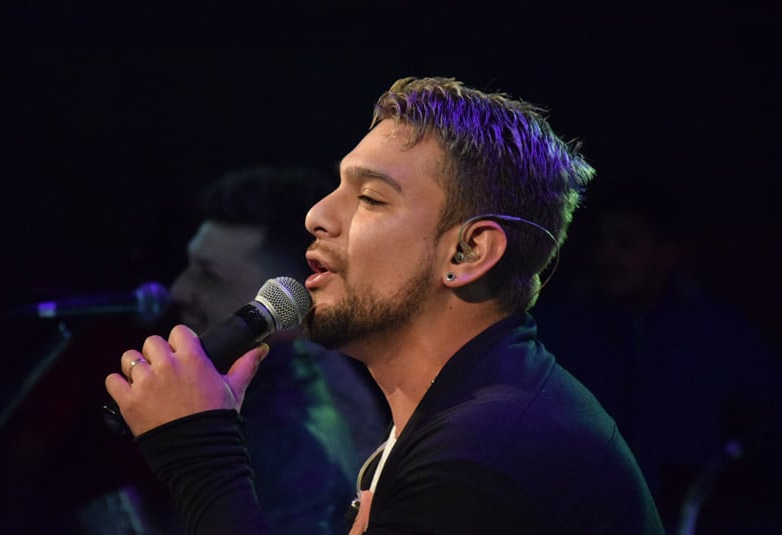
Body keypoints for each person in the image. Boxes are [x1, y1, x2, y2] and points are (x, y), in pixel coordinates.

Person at [106, 77, 664, 533]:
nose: (318, 215)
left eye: (370, 198)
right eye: (339, 187)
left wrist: (201, 454)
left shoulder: (479, 460)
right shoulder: (472, 410)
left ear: (468, 252)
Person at [89, 166, 388, 534]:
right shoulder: (296, 382)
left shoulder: (299, 435)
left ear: (290, 299)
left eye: (209, 275)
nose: (179, 290)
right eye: (189, 267)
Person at [532, 177, 782, 532]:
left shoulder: (715, 330)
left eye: (626, 243)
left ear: (666, 252)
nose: (607, 255)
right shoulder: (559, 324)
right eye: (601, 241)